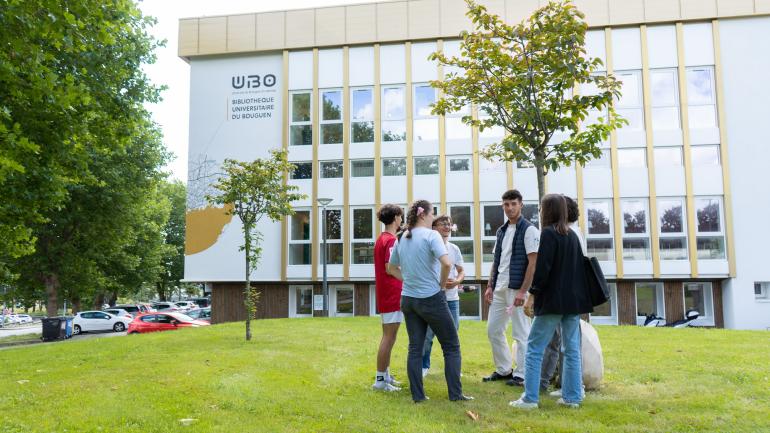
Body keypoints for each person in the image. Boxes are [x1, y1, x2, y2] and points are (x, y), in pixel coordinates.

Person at [510, 194, 593, 409]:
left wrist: (531, 295)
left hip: (552, 302)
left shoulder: (548, 234)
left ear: (548, 211)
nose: (539, 212)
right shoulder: (572, 236)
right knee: (572, 349)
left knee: (535, 348)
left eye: (541, 208)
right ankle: (572, 398)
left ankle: (529, 398)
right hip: (572, 303)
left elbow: (542, 270)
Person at [387, 200, 473, 402]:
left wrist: (408, 279)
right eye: (432, 213)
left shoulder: (402, 237)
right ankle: (455, 395)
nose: (434, 217)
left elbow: (391, 268)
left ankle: (418, 396)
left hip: (408, 299)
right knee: (451, 346)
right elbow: (447, 263)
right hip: (431, 298)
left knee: (415, 348)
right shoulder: (432, 235)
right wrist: (442, 286)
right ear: (424, 214)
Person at [483, 189, 540, 387]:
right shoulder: (501, 231)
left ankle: (522, 375)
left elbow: (533, 264)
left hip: (518, 289)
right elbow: (496, 261)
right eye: (506, 204)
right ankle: (504, 369)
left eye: (513, 204)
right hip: (499, 288)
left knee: (521, 333)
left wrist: (524, 292)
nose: (510, 208)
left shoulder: (530, 230)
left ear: (521, 204)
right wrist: (490, 285)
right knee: (493, 330)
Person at [539, 196, 587, 394]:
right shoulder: (573, 232)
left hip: (560, 297)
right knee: (568, 344)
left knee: (561, 344)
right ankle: (570, 387)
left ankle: (568, 385)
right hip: (573, 296)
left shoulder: (564, 233)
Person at [421, 215, 465, 378]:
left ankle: (453, 368)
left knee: (452, 336)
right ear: (434, 228)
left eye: (449, 224)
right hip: (432, 298)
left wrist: (456, 282)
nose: (447, 226)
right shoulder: (428, 247)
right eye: (443, 224)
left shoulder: (454, 249)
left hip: (452, 299)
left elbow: (461, 271)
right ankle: (424, 366)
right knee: (427, 336)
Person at [372, 204, 405, 392]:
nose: (402, 220)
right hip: (392, 294)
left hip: (387, 293)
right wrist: (409, 279)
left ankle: (386, 376)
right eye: (400, 217)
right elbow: (389, 268)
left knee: (390, 336)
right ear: (395, 218)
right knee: (389, 336)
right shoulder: (391, 240)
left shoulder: (382, 239)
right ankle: (380, 380)